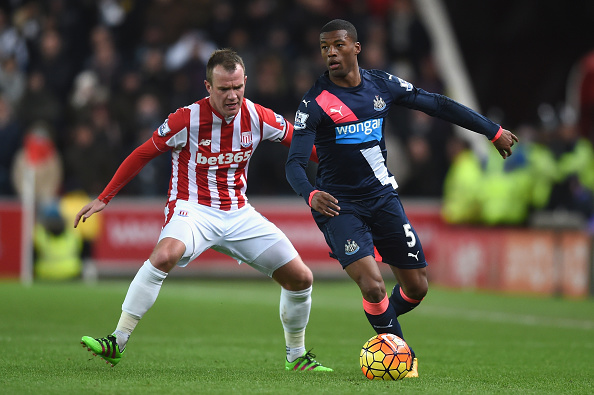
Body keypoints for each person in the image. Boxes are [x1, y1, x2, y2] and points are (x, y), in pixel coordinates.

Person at [285, 19, 518, 378]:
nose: (331, 52)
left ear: (356, 48)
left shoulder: (382, 84)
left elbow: (436, 104)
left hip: (382, 198)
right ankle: (399, 355)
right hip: (338, 205)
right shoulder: (314, 103)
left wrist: (492, 130)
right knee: (373, 284)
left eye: (339, 45)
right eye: (324, 47)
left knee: (417, 287)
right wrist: (311, 193)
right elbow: (295, 165)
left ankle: (380, 319)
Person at [74, 49, 332, 372]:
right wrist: (105, 197)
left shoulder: (258, 117)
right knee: (164, 255)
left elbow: (303, 146)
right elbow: (142, 154)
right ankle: (118, 340)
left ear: (245, 82)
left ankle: (296, 357)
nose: (233, 95)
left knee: (301, 278)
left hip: (238, 214)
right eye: (224, 89)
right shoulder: (186, 119)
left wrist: (349, 173)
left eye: (238, 87)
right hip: (192, 209)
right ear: (207, 86)